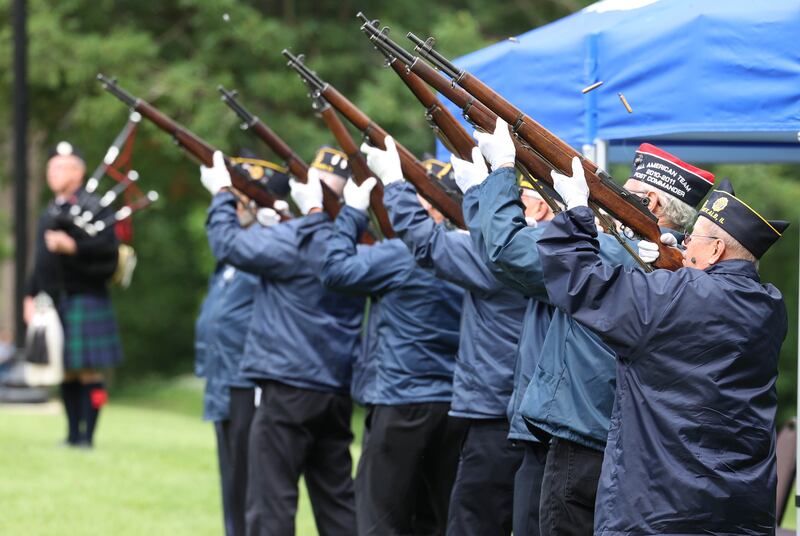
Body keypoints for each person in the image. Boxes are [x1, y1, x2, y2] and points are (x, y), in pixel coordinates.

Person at [538, 162, 788, 535]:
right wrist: (671, 274)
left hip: (658, 508)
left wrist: (576, 212)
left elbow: (580, 281)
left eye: (693, 239)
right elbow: (702, 324)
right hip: (738, 510)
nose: (684, 244)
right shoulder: (770, 307)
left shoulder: (679, 294)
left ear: (716, 249)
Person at [368, 142, 529, 536]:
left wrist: (393, 183)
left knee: (471, 524)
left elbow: (428, 243)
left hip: (492, 412)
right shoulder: (548, 248)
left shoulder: (505, 255)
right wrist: (478, 195)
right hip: (514, 412)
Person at [204, 147, 364, 536]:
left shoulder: (296, 238)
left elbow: (227, 243)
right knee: (338, 505)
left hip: (288, 386)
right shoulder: (357, 241)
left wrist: (223, 193)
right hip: (335, 387)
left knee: (270, 504)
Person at [320, 138, 465, 536]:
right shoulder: (470, 252)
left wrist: (350, 212)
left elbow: (335, 270)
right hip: (454, 405)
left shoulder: (403, 255)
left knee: (378, 519)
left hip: (401, 401)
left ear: (431, 205)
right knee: (434, 520)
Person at [195, 153, 289, 536]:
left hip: (249, 381)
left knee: (253, 487)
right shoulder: (240, 249)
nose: (234, 207)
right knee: (232, 482)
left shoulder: (266, 245)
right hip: (223, 377)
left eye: (241, 198)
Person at [24, 141, 122, 448]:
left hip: (86, 296)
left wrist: (74, 247)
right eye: (52, 167)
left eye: (63, 167)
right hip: (53, 300)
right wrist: (30, 295)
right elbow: (40, 259)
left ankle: (88, 437)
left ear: (79, 172)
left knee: (87, 370)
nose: (55, 172)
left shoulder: (96, 207)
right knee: (65, 370)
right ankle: (71, 435)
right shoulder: (50, 211)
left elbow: (109, 251)